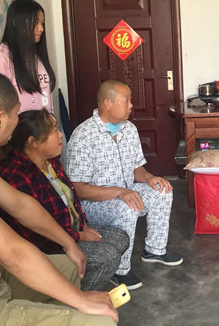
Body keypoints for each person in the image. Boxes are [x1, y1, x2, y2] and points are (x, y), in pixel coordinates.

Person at [0, 70, 117, 325]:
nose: (16, 122)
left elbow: (20, 205)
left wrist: (69, 243)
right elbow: (12, 253)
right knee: (100, 322)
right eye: (15, 114)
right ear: (0, 120)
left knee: (70, 268)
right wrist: (80, 300)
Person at [0, 109, 129, 291]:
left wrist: (84, 226)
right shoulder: (16, 175)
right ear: (34, 142)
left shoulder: (51, 162)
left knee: (120, 238)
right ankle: (72, 298)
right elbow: (36, 234)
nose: (60, 135)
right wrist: (79, 237)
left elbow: (72, 199)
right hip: (46, 246)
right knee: (108, 257)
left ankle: (81, 280)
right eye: (54, 131)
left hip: (70, 231)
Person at [65, 80, 183, 290]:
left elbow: (137, 169)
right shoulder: (83, 135)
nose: (131, 106)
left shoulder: (129, 129)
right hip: (95, 203)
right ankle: (120, 270)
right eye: (126, 100)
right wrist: (119, 193)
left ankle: (154, 250)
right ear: (107, 103)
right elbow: (78, 189)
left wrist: (149, 178)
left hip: (127, 192)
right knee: (127, 206)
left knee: (161, 191)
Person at [0, 0, 55, 113]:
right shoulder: (0, 58)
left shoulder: (34, 55)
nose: (41, 29)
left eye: (42, 23)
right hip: (22, 125)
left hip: (44, 123)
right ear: (15, 23)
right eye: (35, 22)